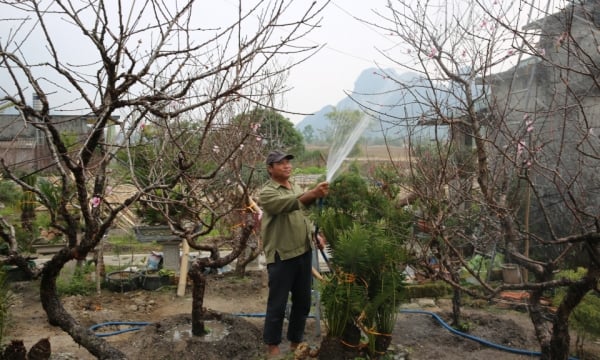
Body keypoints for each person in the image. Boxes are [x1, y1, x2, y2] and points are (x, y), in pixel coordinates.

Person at [259, 150, 329, 357]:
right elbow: (290, 204)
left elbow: (304, 215)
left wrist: (316, 235)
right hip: (282, 255)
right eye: (280, 163)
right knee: (278, 303)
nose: (286, 165)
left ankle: (295, 341)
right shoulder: (268, 192)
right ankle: (272, 345)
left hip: (303, 251)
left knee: (303, 301)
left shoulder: (295, 186)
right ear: (270, 169)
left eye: (288, 162)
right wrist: (313, 193)